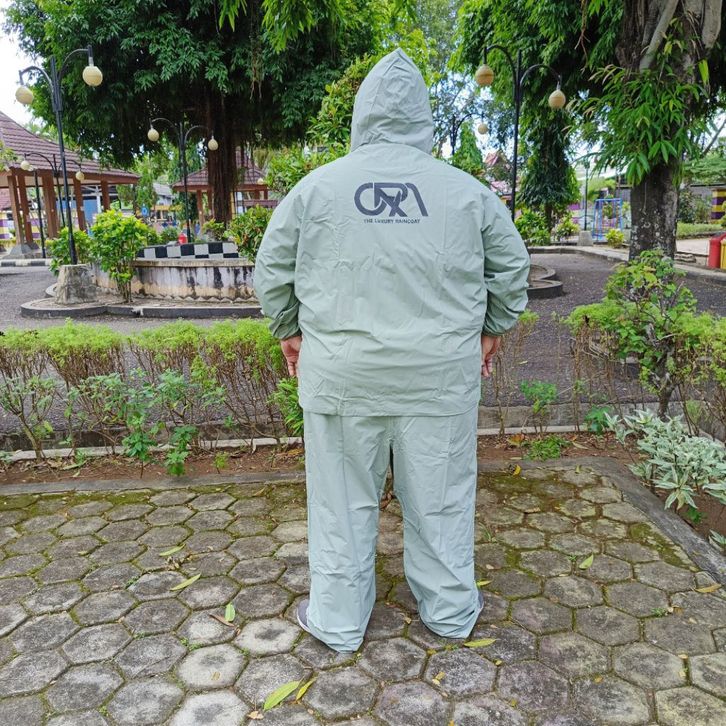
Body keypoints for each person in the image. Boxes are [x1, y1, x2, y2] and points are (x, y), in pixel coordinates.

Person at [254, 49, 530, 653]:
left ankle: (339, 620)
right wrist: (491, 329)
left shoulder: (315, 189)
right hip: (438, 378)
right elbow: (512, 271)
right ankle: (449, 613)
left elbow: (271, 270)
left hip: (342, 377)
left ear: (362, 115)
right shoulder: (467, 193)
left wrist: (290, 330)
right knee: (441, 500)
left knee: (340, 502)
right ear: (422, 119)